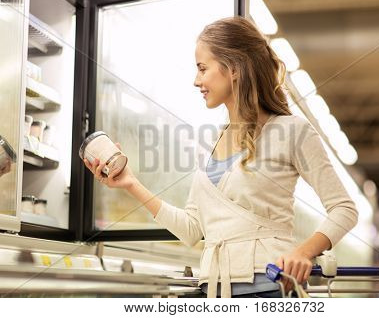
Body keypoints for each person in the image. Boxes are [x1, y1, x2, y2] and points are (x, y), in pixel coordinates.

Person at [83, 16, 358, 298]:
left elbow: (344, 209)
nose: (196, 80)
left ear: (234, 68)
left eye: (203, 68)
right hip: (214, 291)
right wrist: (130, 183)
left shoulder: (292, 131)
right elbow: (192, 229)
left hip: (269, 288)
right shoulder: (213, 141)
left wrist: (304, 251)